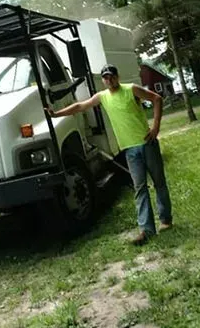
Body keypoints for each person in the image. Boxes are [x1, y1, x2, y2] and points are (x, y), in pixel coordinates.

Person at [47, 64, 172, 245]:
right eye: (105, 77)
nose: (109, 80)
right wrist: (56, 114)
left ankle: (166, 220)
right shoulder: (103, 97)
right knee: (140, 188)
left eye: (111, 76)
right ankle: (146, 230)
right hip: (129, 149)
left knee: (159, 182)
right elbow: (81, 106)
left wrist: (156, 127)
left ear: (117, 76)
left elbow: (157, 99)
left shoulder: (131, 89)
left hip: (147, 144)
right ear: (103, 80)